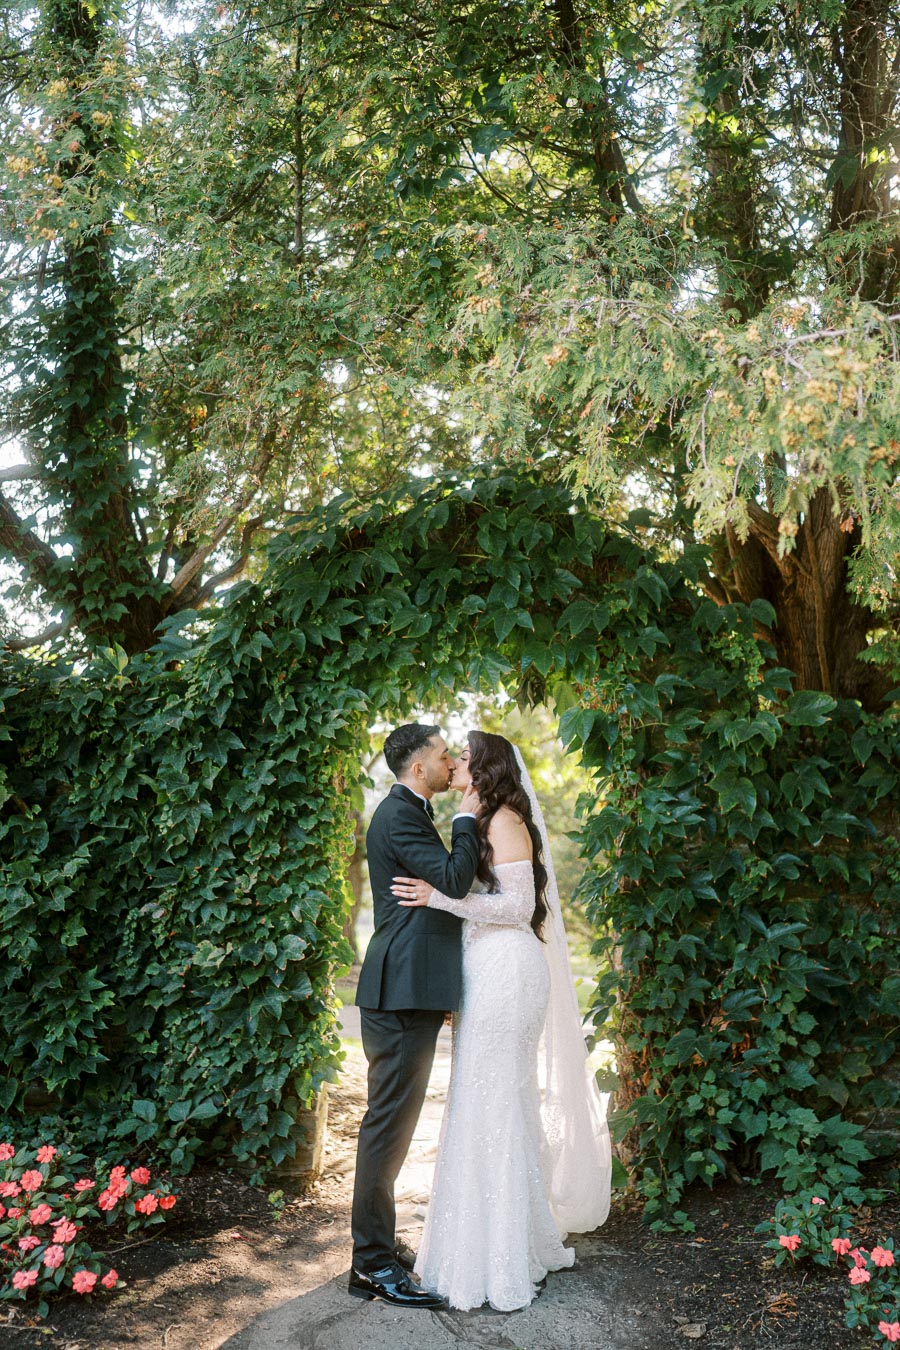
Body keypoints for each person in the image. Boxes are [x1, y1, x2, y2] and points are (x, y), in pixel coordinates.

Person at [391, 730, 612, 1312]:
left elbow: (516, 909)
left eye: (463, 756)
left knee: (495, 1102)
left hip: (509, 970)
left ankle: (503, 1254)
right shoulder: (480, 819)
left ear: (484, 767)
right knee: (480, 1102)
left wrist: (437, 899)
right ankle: (483, 1243)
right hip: (483, 970)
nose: (454, 762)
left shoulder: (506, 821)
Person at [349, 723, 480, 1309]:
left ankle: (377, 1248)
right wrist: (468, 817)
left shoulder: (411, 812)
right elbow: (453, 879)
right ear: (417, 766)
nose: (451, 761)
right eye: (442, 753)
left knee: (394, 1127)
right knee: (387, 1128)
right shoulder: (401, 814)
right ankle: (371, 1264)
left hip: (413, 988)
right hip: (398, 992)